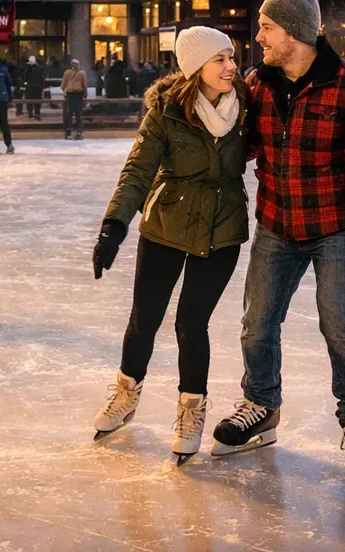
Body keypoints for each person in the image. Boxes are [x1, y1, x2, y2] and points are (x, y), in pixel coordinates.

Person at [211, 0, 345, 485]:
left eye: (266, 28)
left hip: (337, 227)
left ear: (294, 32)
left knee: (339, 322)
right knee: (257, 322)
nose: (258, 37)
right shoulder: (258, 84)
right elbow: (239, 144)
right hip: (278, 223)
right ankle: (261, 404)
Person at [90, 27, 251, 462]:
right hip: (166, 225)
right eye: (220, 60)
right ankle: (126, 395)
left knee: (190, 322)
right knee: (145, 317)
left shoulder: (248, 107)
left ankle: (190, 409)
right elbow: (138, 170)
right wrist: (114, 225)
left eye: (232, 58)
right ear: (196, 66)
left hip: (223, 230)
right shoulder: (166, 110)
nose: (231, 67)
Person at [62, 58, 88, 140]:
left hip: (70, 95)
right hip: (78, 95)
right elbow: (85, 84)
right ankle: (79, 132)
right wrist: (85, 93)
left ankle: (69, 132)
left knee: (70, 113)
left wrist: (66, 91)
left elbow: (63, 85)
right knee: (78, 114)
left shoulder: (67, 73)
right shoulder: (82, 73)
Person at [23, 55, 46, 120]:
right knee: (34, 102)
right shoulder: (37, 69)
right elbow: (43, 77)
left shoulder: (29, 69)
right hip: (34, 87)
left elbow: (25, 77)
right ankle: (34, 114)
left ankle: (34, 114)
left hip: (33, 87)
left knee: (33, 102)